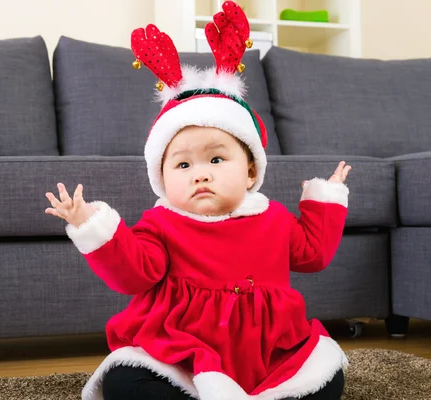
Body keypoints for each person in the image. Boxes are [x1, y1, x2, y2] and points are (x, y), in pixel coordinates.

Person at [45, 2, 351, 399]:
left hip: (269, 352)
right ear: (162, 178)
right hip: (183, 351)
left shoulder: (272, 218)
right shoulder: (161, 225)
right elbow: (132, 273)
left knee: (326, 377)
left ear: (251, 172)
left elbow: (312, 254)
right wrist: (91, 224)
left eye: (217, 159)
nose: (200, 173)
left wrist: (324, 200)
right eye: (183, 164)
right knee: (127, 381)